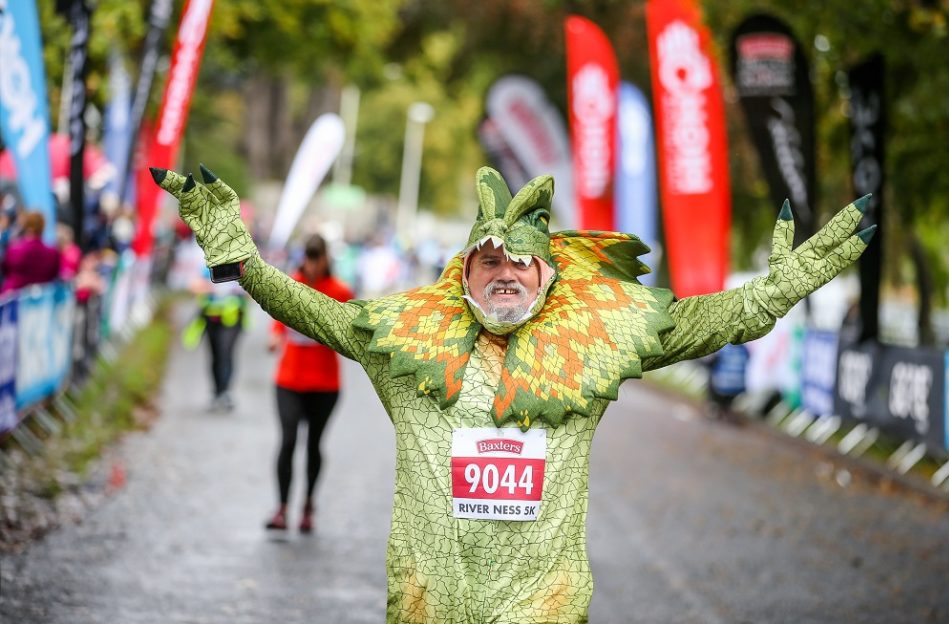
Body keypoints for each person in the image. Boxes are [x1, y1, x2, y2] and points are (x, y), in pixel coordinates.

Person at [151, 164, 873, 623]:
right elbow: (312, 309)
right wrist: (239, 258)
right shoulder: (403, 345)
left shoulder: (592, 345)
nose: (504, 273)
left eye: (520, 264)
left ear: (549, 277)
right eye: (487, 261)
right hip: (427, 604)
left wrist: (779, 288)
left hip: (543, 607)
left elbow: (706, 320)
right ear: (460, 273)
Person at [265, 233, 354, 533]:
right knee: (288, 441)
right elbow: (278, 319)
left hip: (325, 384)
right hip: (289, 379)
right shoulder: (292, 284)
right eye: (309, 258)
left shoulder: (340, 291)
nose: (313, 265)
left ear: (326, 258)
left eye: (318, 258)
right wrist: (275, 336)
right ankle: (282, 508)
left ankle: (307, 505)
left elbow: (352, 330)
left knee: (314, 444)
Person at [184, 244, 248, 412]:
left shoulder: (240, 260)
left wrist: (235, 290)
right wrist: (211, 288)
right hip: (211, 317)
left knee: (225, 352)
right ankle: (217, 392)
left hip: (233, 318)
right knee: (215, 355)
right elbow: (193, 285)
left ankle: (225, 392)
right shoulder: (210, 262)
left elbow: (251, 290)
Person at [0, 211, 60, 294]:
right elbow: (54, 274)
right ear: (42, 227)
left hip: (14, 298)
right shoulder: (52, 253)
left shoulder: (14, 249)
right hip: (41, 299)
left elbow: (5, 271)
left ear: (26, 226)